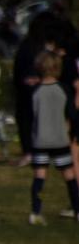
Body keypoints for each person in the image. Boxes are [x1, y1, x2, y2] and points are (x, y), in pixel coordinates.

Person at [27, 50, 79, 226]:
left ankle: (35, 211)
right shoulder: (63, 89)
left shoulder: (36, 91)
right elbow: (72, 113)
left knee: (40, 176)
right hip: (59, 139)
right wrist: (74, 133)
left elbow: (30, 116)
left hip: (40, 139)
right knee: (69, 176)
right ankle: (77, 209)